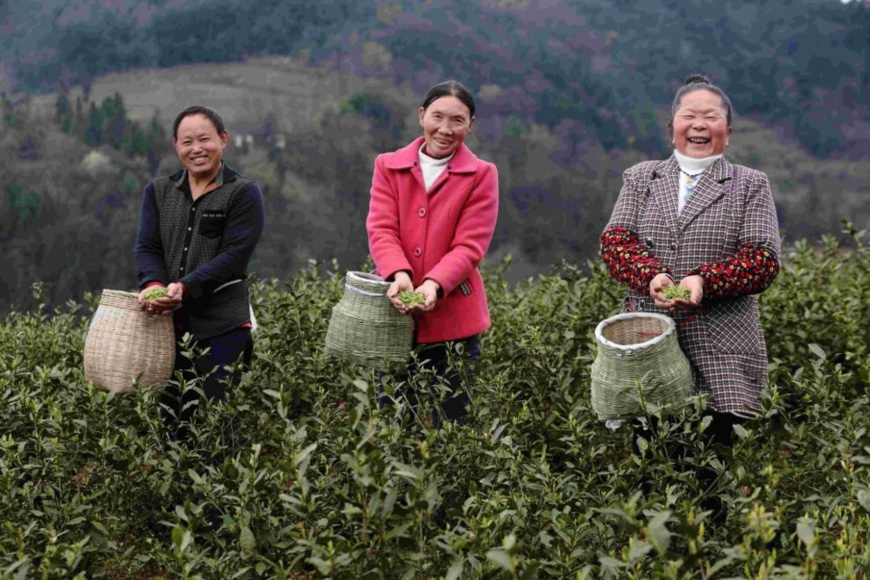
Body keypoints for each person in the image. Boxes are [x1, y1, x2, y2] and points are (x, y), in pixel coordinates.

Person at [600, 74, 781, 516]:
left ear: (727, 131)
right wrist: (653, 276)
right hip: (649, 345)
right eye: (689, 115)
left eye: (711, 117)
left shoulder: (749, 183)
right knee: (652, 472)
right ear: (672, 126)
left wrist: (704, 281)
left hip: (721, 346)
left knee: (711, 476)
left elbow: (762, 259)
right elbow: (616, 242)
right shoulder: (642, 177)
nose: (699, 125)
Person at [366, 80, 499, 426]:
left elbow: (470, 245)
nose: (445, 129)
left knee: (455, 427)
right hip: (396, 319)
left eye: (457, 120)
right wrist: (400, 275)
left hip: (456, 321)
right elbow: (382, 229)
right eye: (437, 116)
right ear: (421, 116)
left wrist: (433, 286)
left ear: (470, 125)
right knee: (394, 424)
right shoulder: (388, 165)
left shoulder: (482, 174)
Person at [135, 105, 265, 435]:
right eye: (187, 142)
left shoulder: (242, 191)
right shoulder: (159, 191)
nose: (196, 149)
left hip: (223, 326)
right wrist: (152, 284)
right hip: (166, 328)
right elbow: (148, 247)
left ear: (223, 140)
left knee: (217, 426)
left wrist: (186, 286)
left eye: (204, 139)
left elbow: (234, 256)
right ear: (175, 146)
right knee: (170, 425)